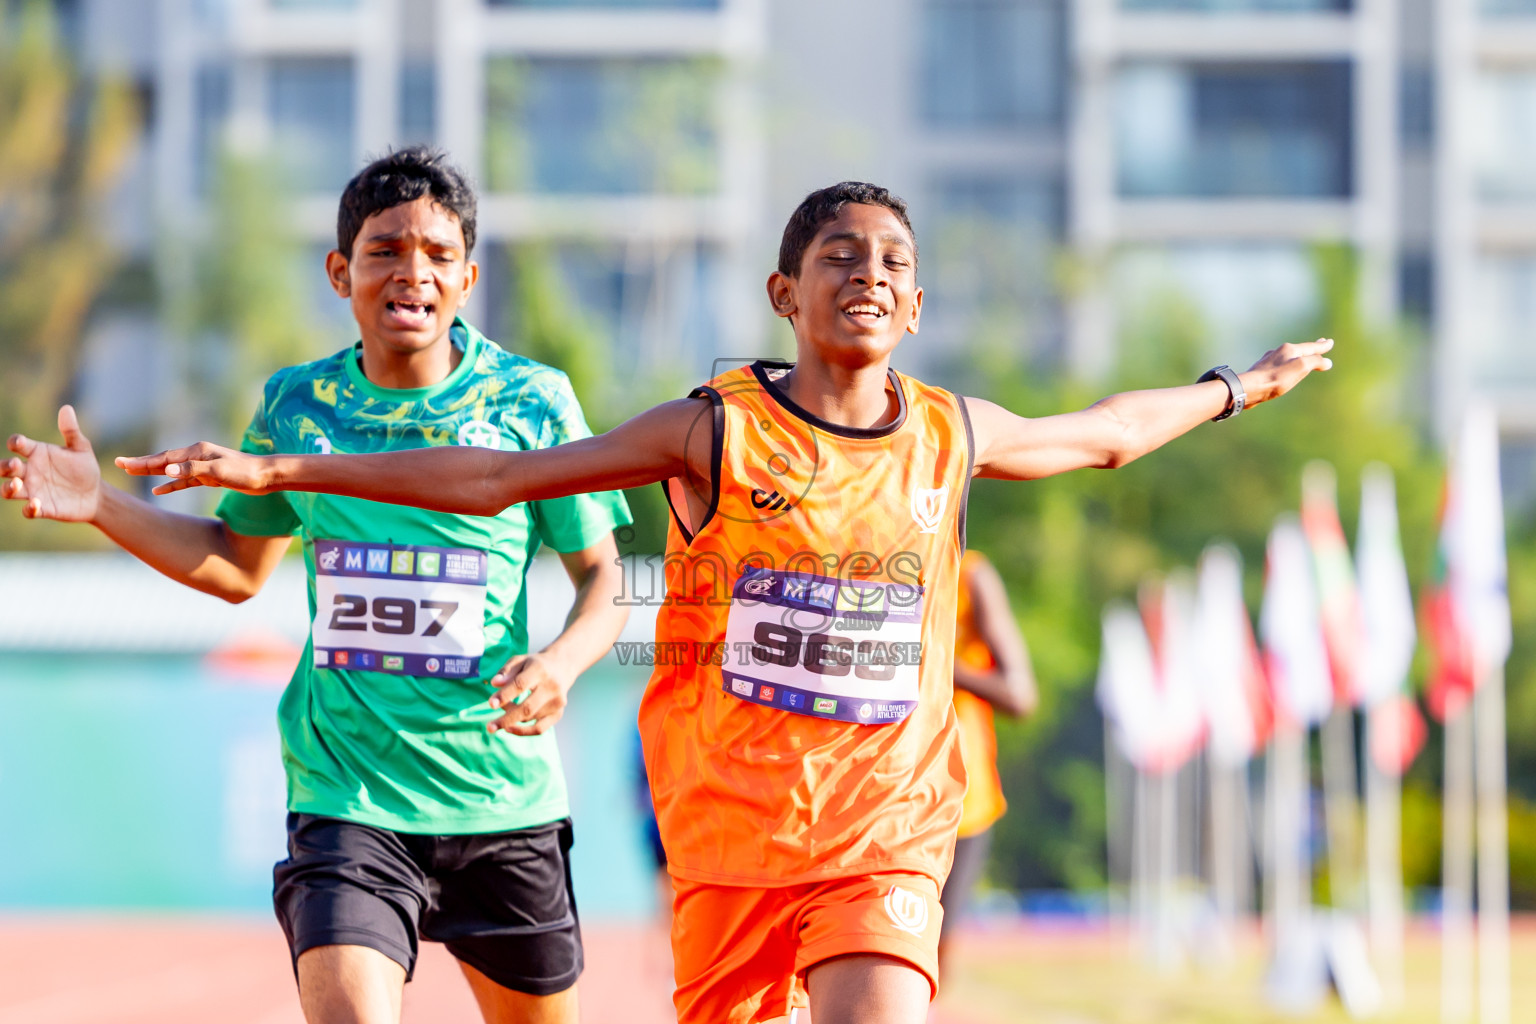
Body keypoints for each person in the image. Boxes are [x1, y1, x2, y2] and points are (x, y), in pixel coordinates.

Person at [89, 181, 1333, 1024]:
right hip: (732, 836)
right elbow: (500, 478)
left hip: (887, 827)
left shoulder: (954, 434)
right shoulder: (710, 431)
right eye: (839, 255)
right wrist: (287, 470)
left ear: (913, 304)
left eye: (894, 262)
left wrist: (1239, 386)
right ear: (786, 294)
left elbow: (1108, 433)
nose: (869, 273)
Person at [2, 147, 631, 1024]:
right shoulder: (299, 405)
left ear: (469, 277)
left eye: (438, 255)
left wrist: (559, 665)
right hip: (348, 796)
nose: (412, 272)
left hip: (501, 797)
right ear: (341, 272)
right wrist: (102, 504)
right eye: (385, 251)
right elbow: (234, 564)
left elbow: (604, 577)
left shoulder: (533, 402)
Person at [938, 549, 1036, 975]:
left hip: (962, 802)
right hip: (876, 792)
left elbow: (1021, 696)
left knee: (931, 951)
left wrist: (937, 664)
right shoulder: (873, 564)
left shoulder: (972, 576)